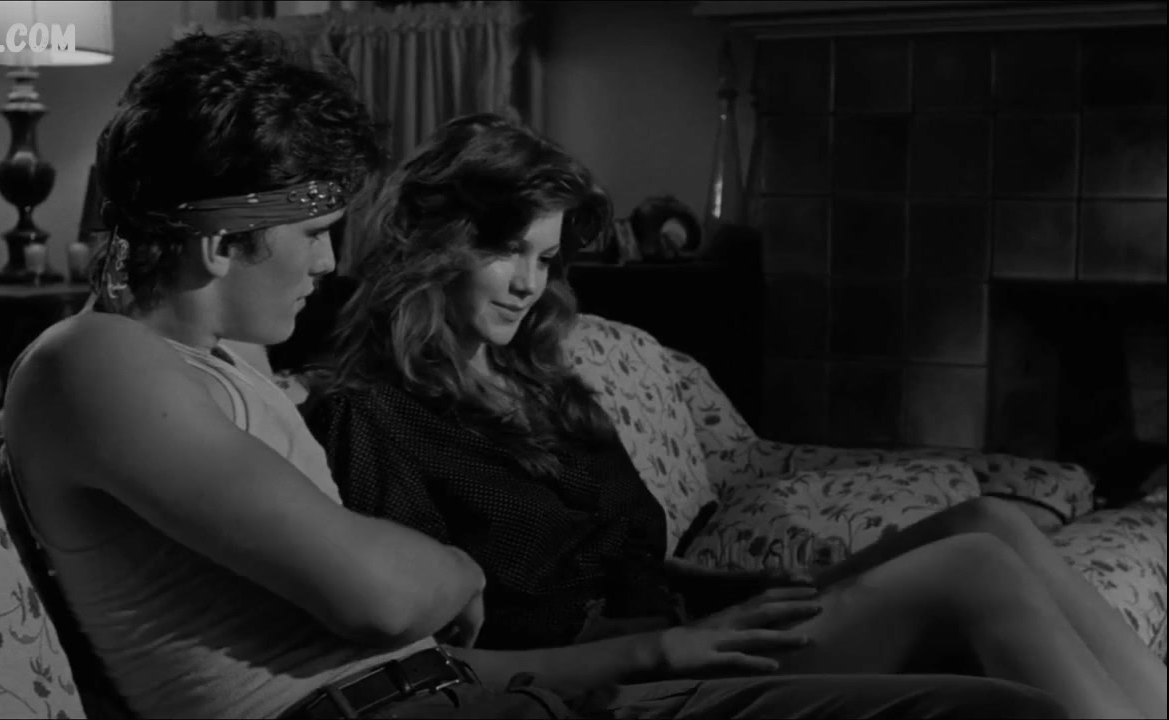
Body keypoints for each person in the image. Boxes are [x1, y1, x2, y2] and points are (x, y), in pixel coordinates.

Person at [0, 29, 1074, 720]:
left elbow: (426, 643)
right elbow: (382, 597)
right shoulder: (94, 363)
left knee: (989, 661)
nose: (329, 265)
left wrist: (655, 649)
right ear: (222, 241)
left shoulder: (232, 369)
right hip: (395, 706)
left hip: (465, 692)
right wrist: (456, 570)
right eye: (316, 233)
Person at [301, 113, 1166, 720]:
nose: (530, 284)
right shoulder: (370, 415)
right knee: (973, 568)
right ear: (435, 244)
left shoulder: (540, 377)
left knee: (992, 522)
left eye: (546, 256)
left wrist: (754, 589)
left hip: (687, 623)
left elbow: (632, 560)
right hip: (613, 680)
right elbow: (422, 669)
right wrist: (661, 650)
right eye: (505, 251)